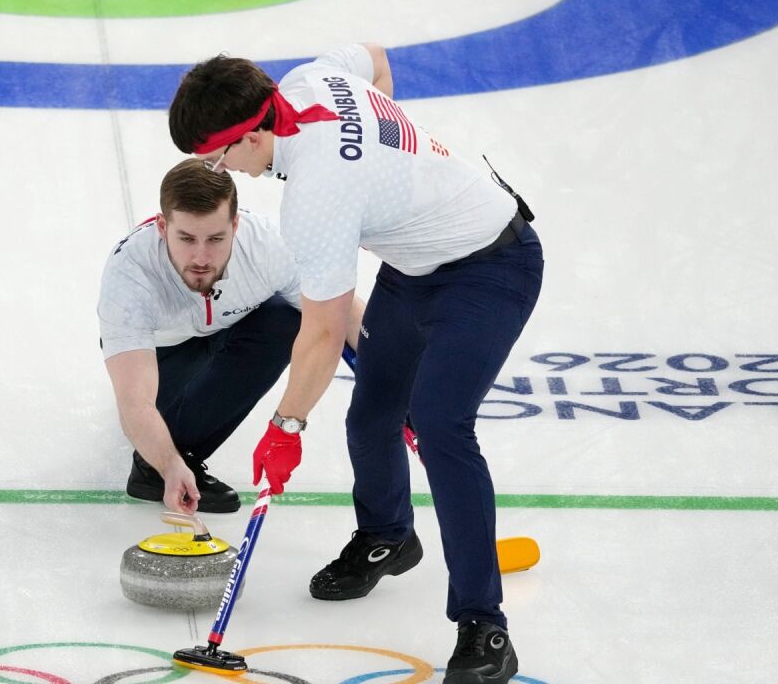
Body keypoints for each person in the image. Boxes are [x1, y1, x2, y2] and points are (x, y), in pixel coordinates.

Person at [167, 44, 544, 684]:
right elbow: (374, 56)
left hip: (493, 265)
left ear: (251, 136)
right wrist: (382, 173)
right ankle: (388, 535)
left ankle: (485, 626)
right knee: (372, 413)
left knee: (441, 424)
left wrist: (285, 427)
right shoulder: (310, 77)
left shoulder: (316, 197)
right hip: (415, 265)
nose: (224, 170)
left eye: (219, 156)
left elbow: (321, 333)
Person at [99, 158, 363, 514]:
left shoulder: (265, 247)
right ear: (162, 227)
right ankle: (155, 470)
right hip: (164, 357)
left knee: (286, 317)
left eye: (216, 239)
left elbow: (340, 311)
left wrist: (400, 380)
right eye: (186, 238)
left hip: (229, 331)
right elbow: (135, 403)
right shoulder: (130, 276)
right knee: (152, 422)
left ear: (235, 225)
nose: (201, 257)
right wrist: (168, 465)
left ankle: (185, 448)